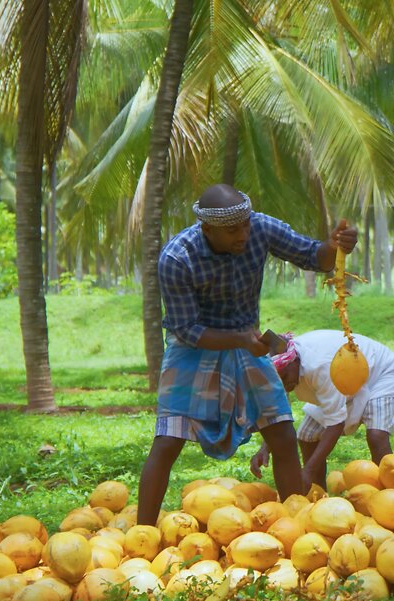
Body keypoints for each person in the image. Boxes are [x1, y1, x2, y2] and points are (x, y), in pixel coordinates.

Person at [138, 184, 358, 526]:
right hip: (194, 349)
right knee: (168, 439)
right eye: (231, 231)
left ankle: (293, 526)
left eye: (245, 226)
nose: (242, 235)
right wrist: (238, 340)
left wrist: (334, 247)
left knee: (282, 433)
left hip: (246, 341)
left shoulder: (259, 227)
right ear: (207, 229)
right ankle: (144, 533)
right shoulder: (177, 257)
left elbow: (315, 257)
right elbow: (187, 329)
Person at [252, 330, 394, 490]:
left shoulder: (320, 366)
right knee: (307, 436)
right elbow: (280, 413)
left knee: (376, 436)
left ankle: (390, 492)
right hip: (343, 378)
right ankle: (318, 493)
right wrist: (265, 447)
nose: (282, 385)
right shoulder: (284, 370)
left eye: (284, 378)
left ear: (294, 361)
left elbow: (336, 424)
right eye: (277, 382)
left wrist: (308, 470)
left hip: (378, 371)